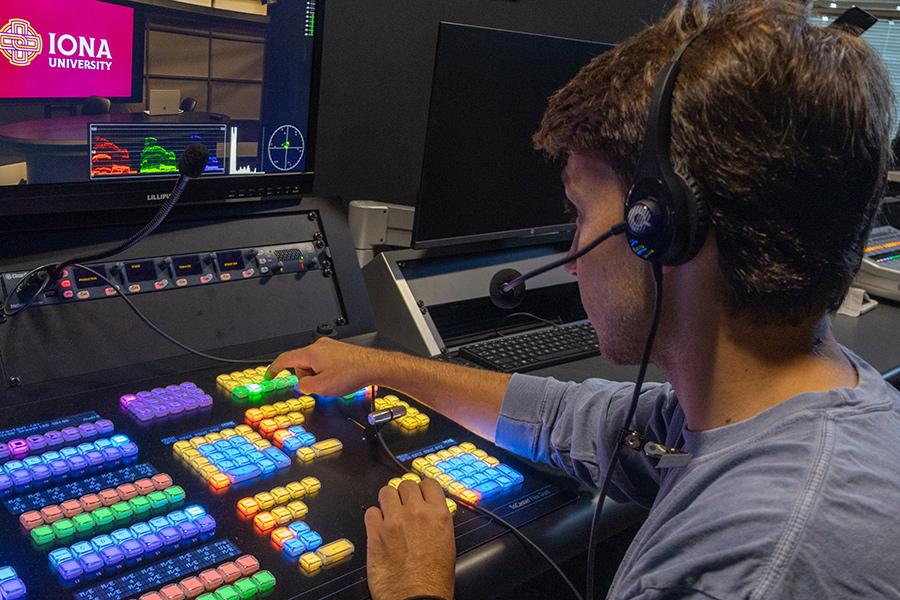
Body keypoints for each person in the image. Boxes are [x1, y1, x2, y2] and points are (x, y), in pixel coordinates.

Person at [266, 0, 900, 598]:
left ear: (661, 227)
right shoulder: (791, 403)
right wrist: (382, 366)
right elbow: (573, 421)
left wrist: (416, 587)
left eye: (577, 210)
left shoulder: (754, 566)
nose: (571, 253)